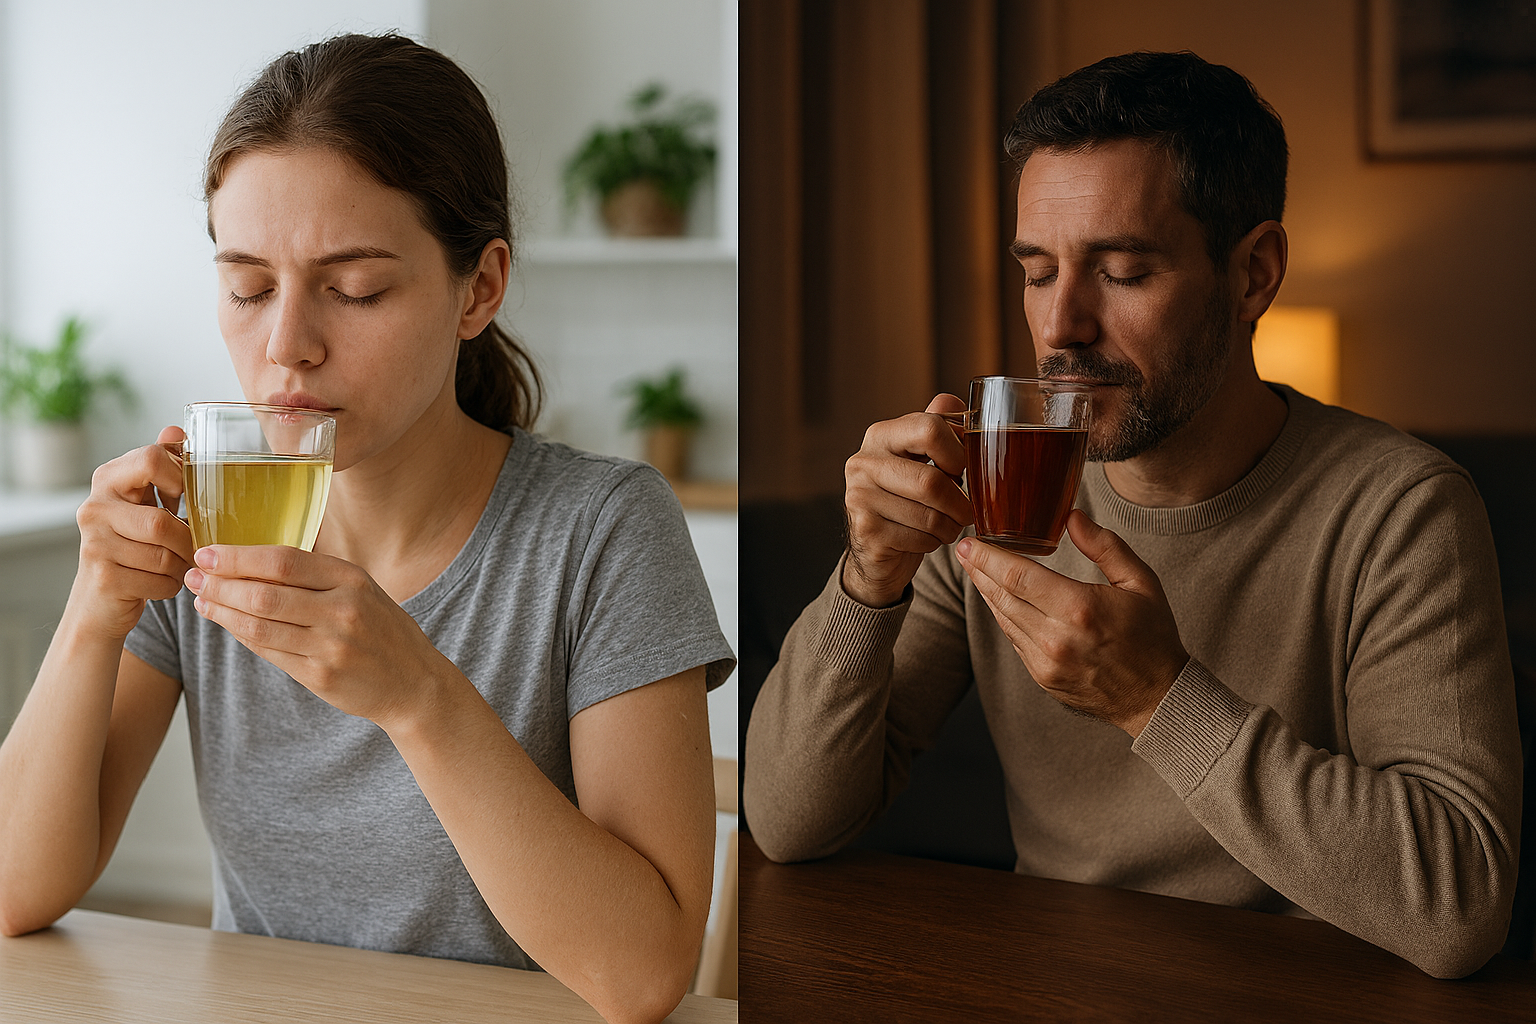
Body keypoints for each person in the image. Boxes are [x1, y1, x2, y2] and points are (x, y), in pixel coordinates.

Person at [0, 33, 734, 1024]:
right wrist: (93, 613)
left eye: (354, 288)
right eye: (248, 285)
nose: (286, 346)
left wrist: (420, 697)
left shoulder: (601, 530)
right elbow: (15, 891)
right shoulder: (209, 520)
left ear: (479, 288)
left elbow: (646, 972)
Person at [744, 50, 1521, 979]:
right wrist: (865, 583)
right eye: (1037, 273)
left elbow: (1461, 908)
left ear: (1253, 275)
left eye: (1120, 271)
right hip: (1053, 988)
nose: (1060, 324)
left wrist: (1156, 698)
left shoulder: (1401, 510)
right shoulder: (1006, 492)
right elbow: (788, 825)